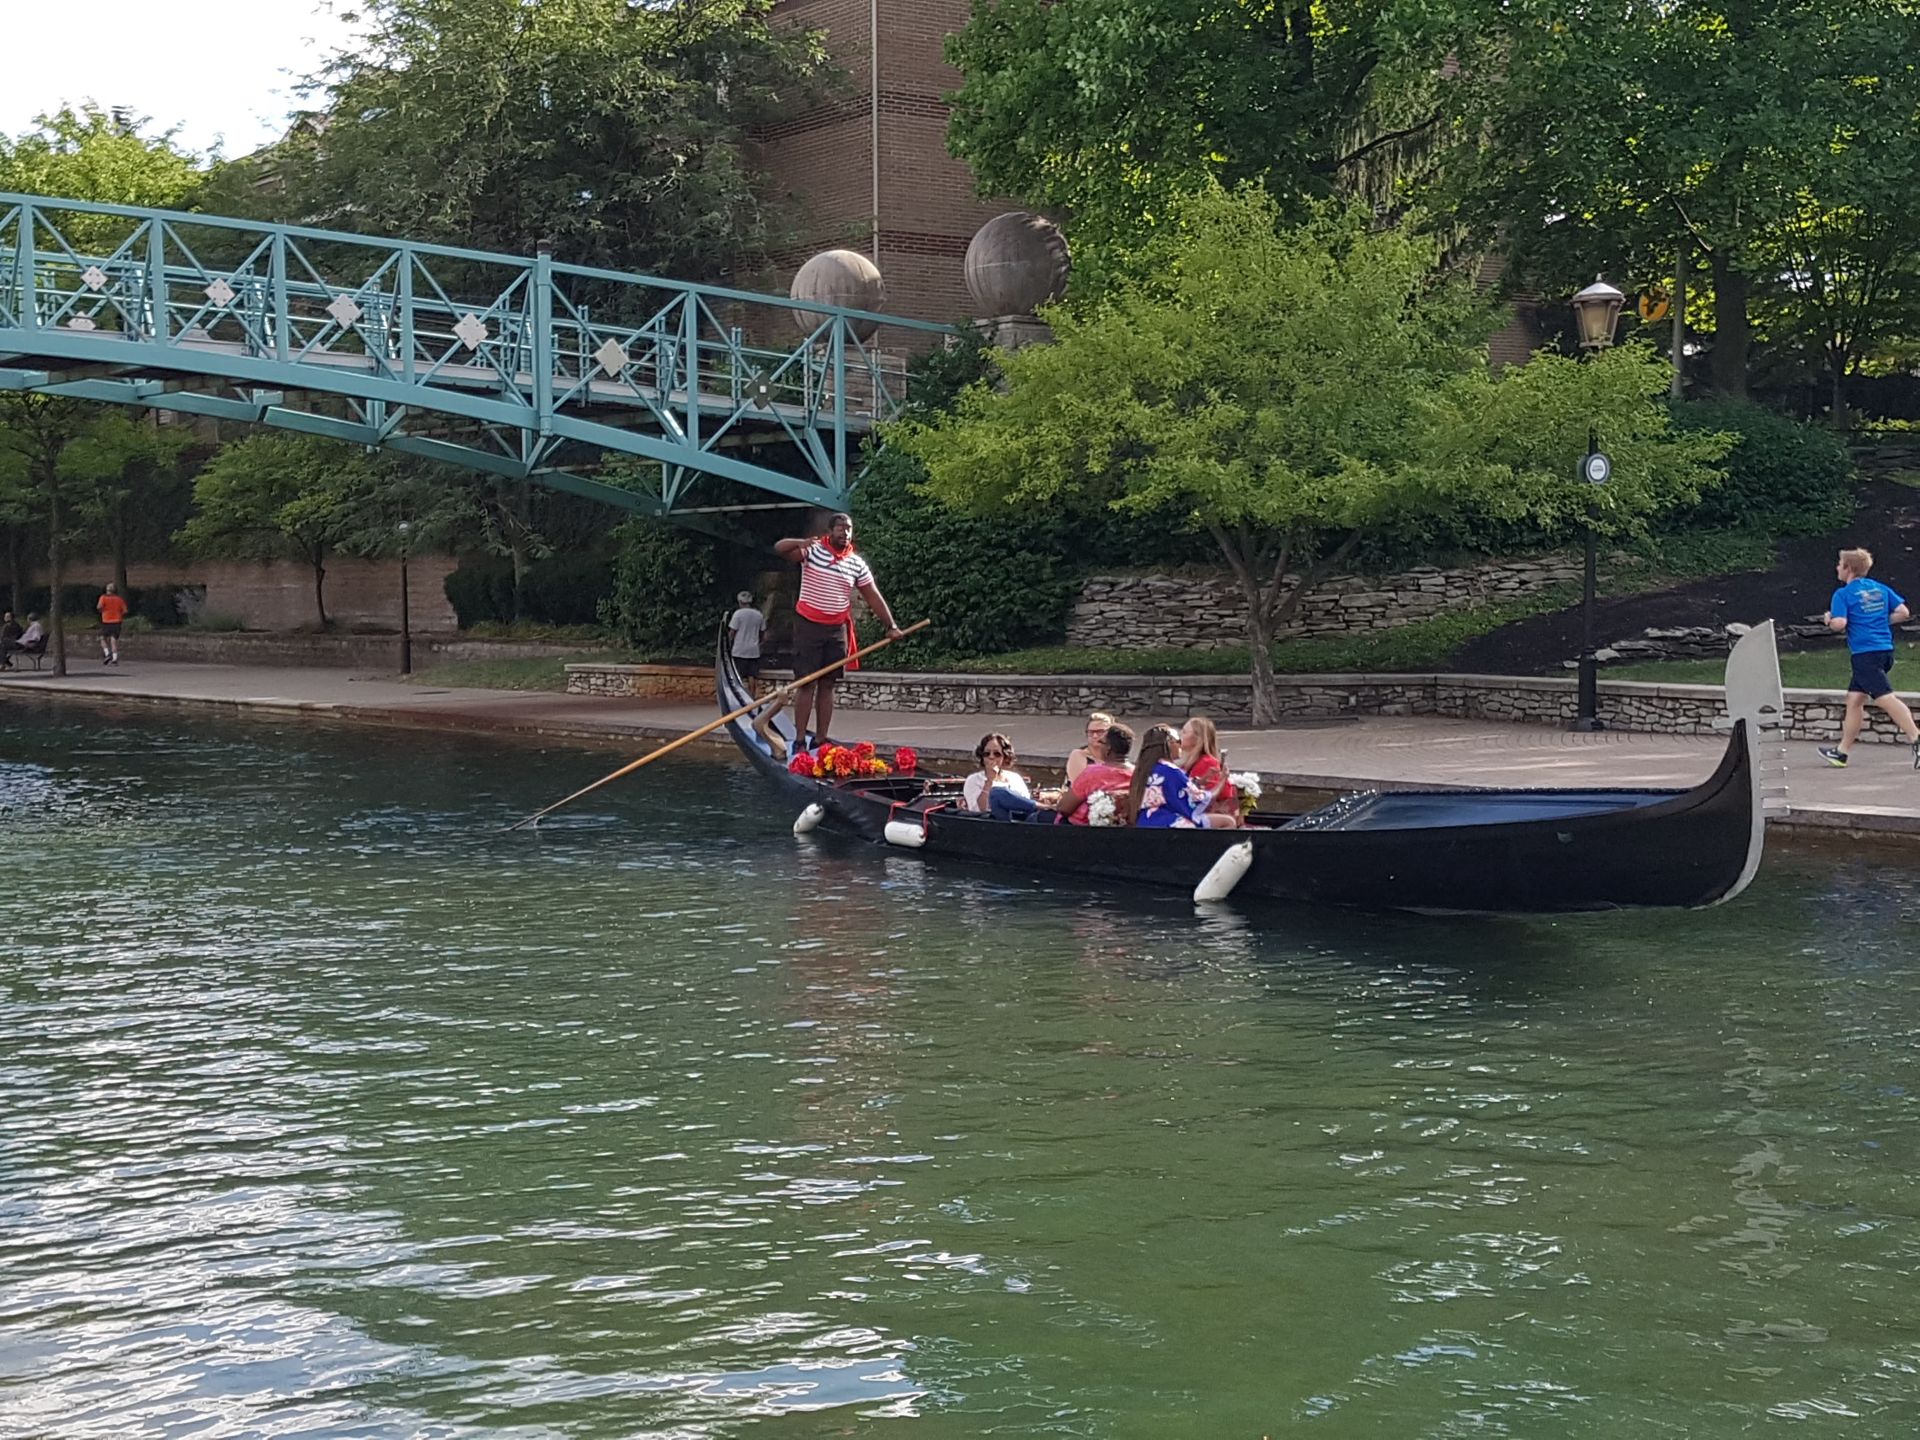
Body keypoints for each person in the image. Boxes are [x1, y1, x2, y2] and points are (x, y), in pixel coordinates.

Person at [773, 513, 904, 748]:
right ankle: (800, 739)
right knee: (806, 683)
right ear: (830, 531)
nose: (845, 533)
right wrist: (801, 542)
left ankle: (821, 739)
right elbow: (780, 549)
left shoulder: (856, 563)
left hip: (836, 630)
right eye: (841, 528)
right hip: (808, 626)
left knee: (828, 683)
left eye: (849, 529)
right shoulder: (813, 551)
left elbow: (873, 596)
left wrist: (891, 626)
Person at [1817, 547, 1920, 769]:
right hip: (1885, 651)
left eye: (1840, 564)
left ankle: (1916, 737)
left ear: (1849, 569)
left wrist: (1828, 619)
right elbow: (1903, 612)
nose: (1837, 567)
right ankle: (1841, 752)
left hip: (1865, 654)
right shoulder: (1880, 588)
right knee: (1854, 700)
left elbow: (1839, 624)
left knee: (1885, 698)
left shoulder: (1843, 594)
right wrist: (1880, 621)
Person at [1045, 722, 1135, 825]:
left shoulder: (1093, 773)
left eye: (1101, 742)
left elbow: (1064, 808)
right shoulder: (1137, 775)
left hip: (1081, 829)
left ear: (1108, 748)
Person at [1128, 724, 1203, 827]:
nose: (1180, 745)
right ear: (1168, 743)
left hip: (1143, 822)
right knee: (1223, 821)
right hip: (1169, 823)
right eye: (1178, 741)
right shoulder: (1170, 770)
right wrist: (1220, 784)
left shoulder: (1142, 771)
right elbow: (1194, 800)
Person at [1177, 715, 1243, 828]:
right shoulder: (1188, 762)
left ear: (1198, 739)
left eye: (1184, 732)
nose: (1179, 736)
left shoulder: (1207, 762)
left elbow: (1206, 798)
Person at [963, 732, 1036, 820]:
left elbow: (1025, 804)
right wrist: (989, 781)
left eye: (997, 754)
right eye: (987, 754)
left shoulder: (1015, 778)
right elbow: (979, 810)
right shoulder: (973, 780)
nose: (991, 757)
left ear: (1005, 757)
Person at [728, 590, 766, 681]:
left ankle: (739, 690)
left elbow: (732, 632)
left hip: (739, 651)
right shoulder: (759, 615)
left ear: (740, 602)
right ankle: (752, 690)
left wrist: (729, 643)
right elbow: (762, 632)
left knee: (738, 676)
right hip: (753, 651)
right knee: (752, 675)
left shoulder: (737, 614)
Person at [1066, 711, 1114, 782]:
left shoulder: (1116, 756)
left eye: (1100, 732)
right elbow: (1078, 784)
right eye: (1091, 732)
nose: (1095, 736)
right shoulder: (1079, 755)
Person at [96, 583, 127, 665]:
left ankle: (107, 654)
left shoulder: (103, 598)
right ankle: (115, 658)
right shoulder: (119, 599)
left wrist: (103, 611)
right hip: (117, 622)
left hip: (106, 621)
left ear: (107, 590)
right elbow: (124, 611)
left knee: (102, 638)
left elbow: (99, 607)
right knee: (113, 640)